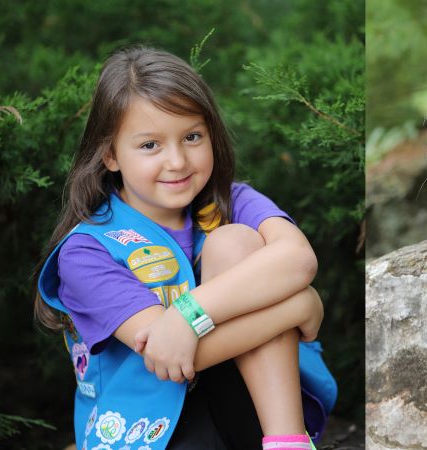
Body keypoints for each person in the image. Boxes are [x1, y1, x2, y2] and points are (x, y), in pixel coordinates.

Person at [33, 46, 336, 450]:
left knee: (234, 242)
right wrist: (299, 307)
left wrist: (186, 315)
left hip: (250, 411)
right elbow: (166, 356)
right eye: (150, 146)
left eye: (192, 137)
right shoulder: (87, 250)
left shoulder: (235, 202)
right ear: (109, 154)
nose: (177, 161)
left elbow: (297, 260)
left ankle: (289, 444)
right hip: (155, 427)